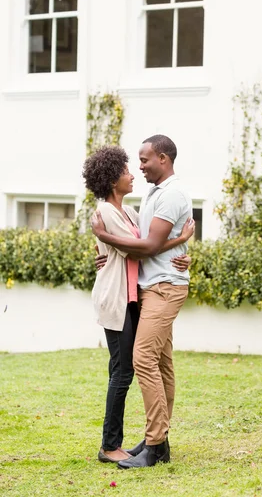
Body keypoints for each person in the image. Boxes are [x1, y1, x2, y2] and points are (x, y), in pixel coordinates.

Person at [82, 145, 194, 464]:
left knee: (138, 365)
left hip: (136, 295)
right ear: (110, 178)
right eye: (127, 169)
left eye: (140, 163)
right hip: (117, 297)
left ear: (163, 158)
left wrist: (176, 248)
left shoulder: (129, 211)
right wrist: (177, 242)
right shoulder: (105, 213)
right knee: (124, 368)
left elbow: (146, 244)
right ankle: (111, 445)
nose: (134, 172)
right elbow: (139, 250)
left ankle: (152, 441)